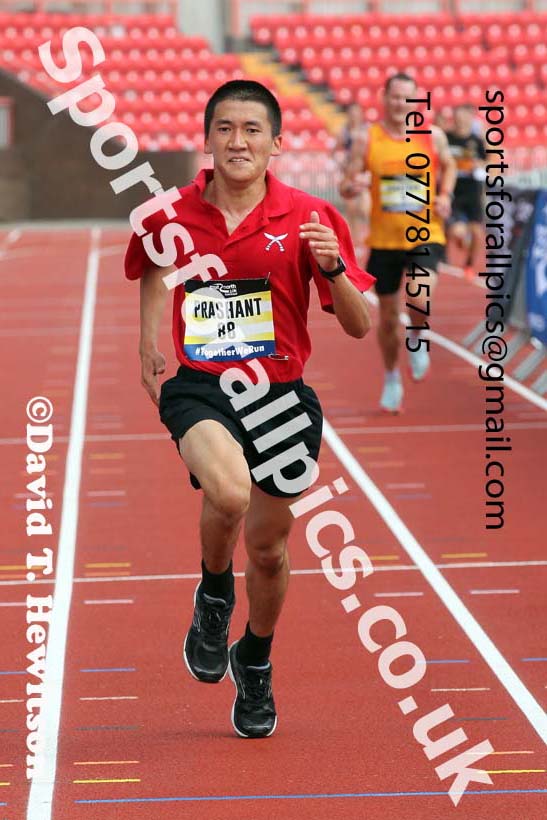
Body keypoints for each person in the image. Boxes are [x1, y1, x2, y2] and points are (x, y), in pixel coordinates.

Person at [124, 80, 375, 738]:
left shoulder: (311, 217)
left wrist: (334, 270)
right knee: (230, 493)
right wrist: (148, 342)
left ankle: (254, 658)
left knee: (267, 550)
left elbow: (357, 327)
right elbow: (153, 267)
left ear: (276, 143)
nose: (238, 141)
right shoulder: (168, 214)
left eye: (252, 129)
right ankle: (214, 594)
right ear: (208, 139)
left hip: (282, 397)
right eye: (226, 128)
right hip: (202, 386)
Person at [340, 73, 456, 413]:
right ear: (384, 98)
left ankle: (417, 335)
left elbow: (449, 166)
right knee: (389, 321)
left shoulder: (433, 136)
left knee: (419, 297)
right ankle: (392, 377)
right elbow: (346, 183)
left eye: (407, 97)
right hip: (384, 241)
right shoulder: (367, 138)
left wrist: (446, 195)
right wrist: (353, 186)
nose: (400, 103)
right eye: (394, 96)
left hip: (426, 233)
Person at [446, 104, 486, 279]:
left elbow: (488, 161)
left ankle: (469, 264)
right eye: (458, 117)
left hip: (472, 192)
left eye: (465, 117)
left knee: (477, 233)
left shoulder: (476, 141)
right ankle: (460, 240)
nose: (461, 121)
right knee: (457, 232)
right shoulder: (447, 138)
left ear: (471, 119)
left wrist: (478, 165)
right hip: (453, 191)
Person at [335, 102, 370, 257]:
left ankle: (367, 239)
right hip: (350, 174)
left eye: (356, 112)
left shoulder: (367, 130)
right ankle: (355, 242)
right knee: (351, 211)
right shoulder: (344, 132)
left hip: (364, 174)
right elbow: (335, 151)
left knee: (364, 208)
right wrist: (341, 163)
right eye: (351, 112)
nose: (354, 115)